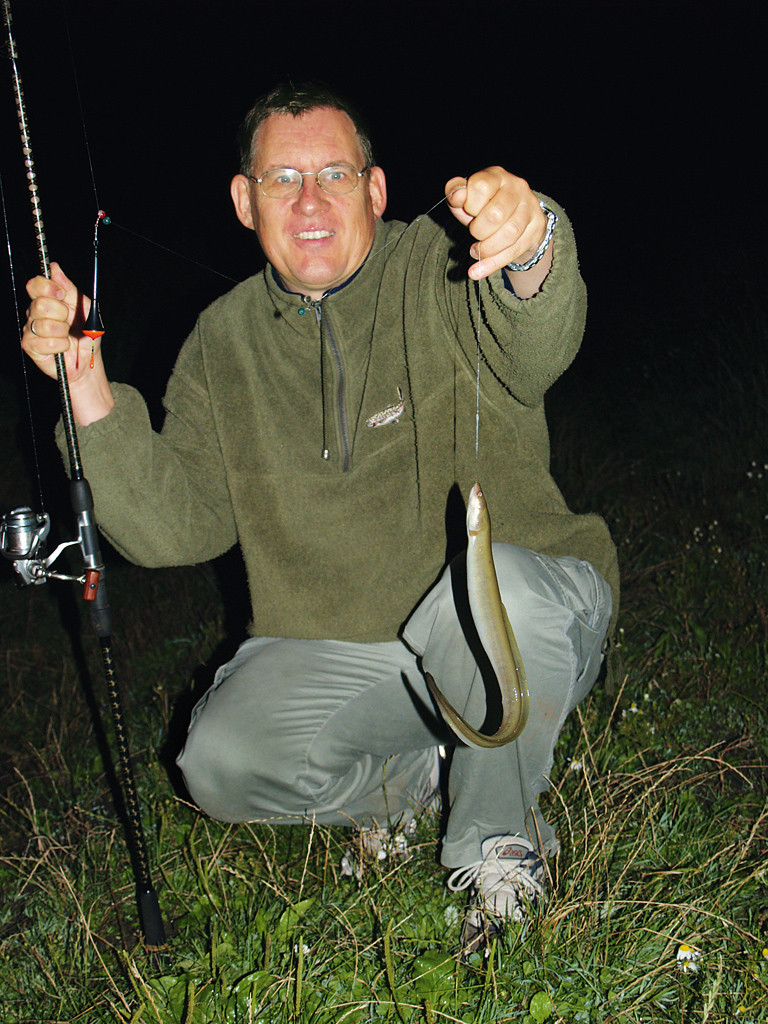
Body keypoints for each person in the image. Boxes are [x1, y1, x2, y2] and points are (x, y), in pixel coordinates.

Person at [23, 83, 618, 957]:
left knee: (487, 601)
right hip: (371, 665)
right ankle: (423, 779)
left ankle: (497, 849)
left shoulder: (441, 265)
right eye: (282, 179)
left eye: (334, 173)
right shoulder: (220, 344)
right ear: (243, 200)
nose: (309, 200)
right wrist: (84, 388)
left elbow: (537, 340)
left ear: (375, 191)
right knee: (216, 759)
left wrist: (531, 241)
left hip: (529, 616)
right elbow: (171, 526)